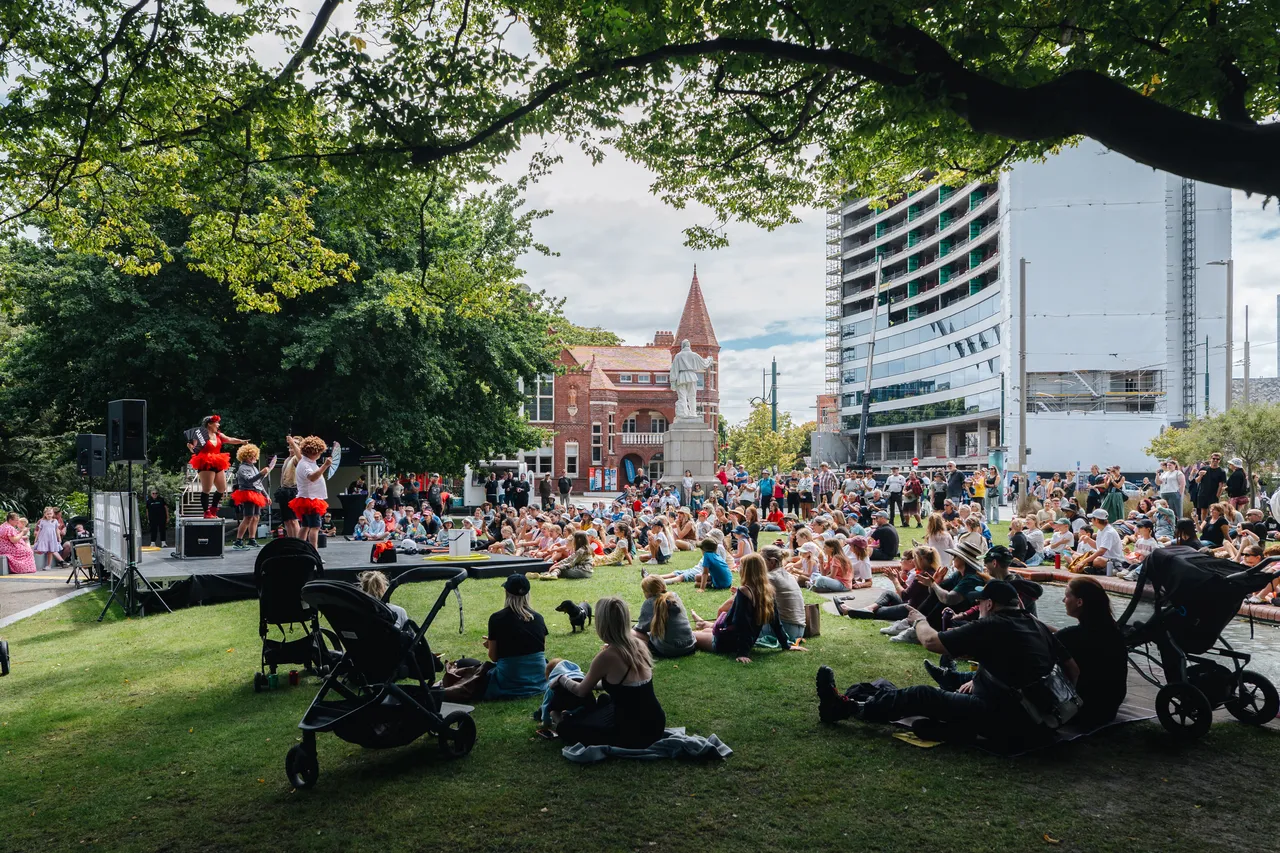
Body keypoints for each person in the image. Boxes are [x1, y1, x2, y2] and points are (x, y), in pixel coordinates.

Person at [816, 580, 1080, 745]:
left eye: (980, 602)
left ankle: (847, 709)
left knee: (922, 695)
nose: (979, 606)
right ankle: (868, 698)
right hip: (1040, 719)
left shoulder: (992, 625)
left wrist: (918, 619)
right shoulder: (1036, 624)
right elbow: (1072, 669)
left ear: (989, 603)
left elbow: (931, 642)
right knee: (955, 687)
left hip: (1004, 719)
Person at [553, 597, 666, 748]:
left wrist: (561, 678)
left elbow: (580, 691)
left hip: (634, 732)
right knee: (605, 700)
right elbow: (627, 686)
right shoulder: (639, 644)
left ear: (603, 624)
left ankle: (558, 718)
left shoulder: (607, 656)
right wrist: (592, 683)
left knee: (566, 729)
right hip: (656, 723)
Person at [445, 574, 548, 702]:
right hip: (538, 679)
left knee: (463, 663)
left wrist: (491, 644)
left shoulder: (497, 618)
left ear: (506, 592)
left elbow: (493, 657)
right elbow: (540, 647)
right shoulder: (538, 618)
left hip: (509, 680)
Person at [692, 554, 801, 662]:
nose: (739, 569)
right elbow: (776, 622)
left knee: (692, 635)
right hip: (744, 640)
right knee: (706, 630)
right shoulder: (768, 591)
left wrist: (742, 653)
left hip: (728, 642)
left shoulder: (744, 591)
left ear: (747, 571)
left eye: (741, 567)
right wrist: (786, 645)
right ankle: (702, 624)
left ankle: (699, 625)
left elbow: (742, 623)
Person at [1055, 576, 1128, 727]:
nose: (1064, 601)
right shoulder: (1114, 632)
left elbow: (1052, 641)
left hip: (1080, 712)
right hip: (1108, 709)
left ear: (1079, 602)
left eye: (1067, 596)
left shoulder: (1071, 637)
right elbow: (1062, 636)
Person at [186, 414, 246, 519]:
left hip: (218, 461)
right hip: (205, 462)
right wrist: (190, 448)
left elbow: (230, 439)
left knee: (222, 488)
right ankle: (206, 512)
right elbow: (194, 449)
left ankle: (213, 509)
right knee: (207, 489)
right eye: (216, 423)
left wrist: (241, 441)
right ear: (209, 424)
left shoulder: (218, 435)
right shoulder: (200, 436)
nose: (218, 425)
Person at [289, 435, 337, 550]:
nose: (320, 455)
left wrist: (292, 442)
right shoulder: (306, 464)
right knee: (315, 527)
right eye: (319, 452)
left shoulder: (305, 460)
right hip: (311, 500)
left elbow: (298, 452)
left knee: (305, 526)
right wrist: (325, 466)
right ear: (313, 453)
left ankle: (299, 549)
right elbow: (312, 477)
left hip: (305, 499)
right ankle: (313, 551)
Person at [634, 576, 696, 657]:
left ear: (648, 592)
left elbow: (641, 628)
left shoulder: (649, 603)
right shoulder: (674, 596)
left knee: (631, 633)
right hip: (690, 646)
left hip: (667, 650)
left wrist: (634, 627)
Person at [231, 443, 276, 550]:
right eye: (250, 456)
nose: (253, 458)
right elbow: (249, 480)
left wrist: (266, 495)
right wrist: (261, 473)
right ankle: (238, 541)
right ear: (244, 456)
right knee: (248, 517)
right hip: (247, 494)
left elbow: (258, 483)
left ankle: (252, 539)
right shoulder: (242, 468)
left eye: (254, 456)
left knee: (256, 517)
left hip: (256, 493)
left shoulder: (253, 467)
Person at [759, 546, 806, 646]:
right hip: (799, 631)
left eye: (761, 560)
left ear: (772, 562)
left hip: (784, 630)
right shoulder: (788, 575)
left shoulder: (770, 578)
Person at [276, 435, 301, 539]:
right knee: (287, 519)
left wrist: (293, 442)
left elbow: (300, 456)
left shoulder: (297, 458)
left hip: (293, 490)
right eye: (290, 443)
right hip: (284, 490)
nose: (291, 444)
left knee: (293, 519)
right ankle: (291, 540)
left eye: (295, 443)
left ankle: (298, 541)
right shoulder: (287, 459)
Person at [1194, 453, 1227, 522]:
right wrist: (1200, 476)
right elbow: (1197, 481)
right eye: (1213, 458)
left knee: (1213, 512)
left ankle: (1212, 525)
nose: (1215, 460)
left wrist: (1217, 496)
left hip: (1213, 495)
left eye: (1217, 459)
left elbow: (1221, 485)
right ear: (1210, 459)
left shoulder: (1221, 471)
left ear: (1219, 460)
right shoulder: (1204, 468)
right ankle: (1203, 527)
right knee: (1203, 511)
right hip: (1203, 493)